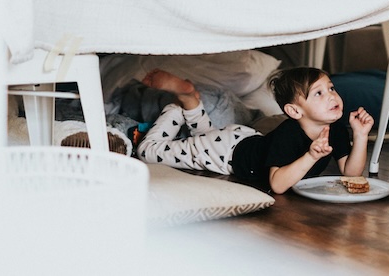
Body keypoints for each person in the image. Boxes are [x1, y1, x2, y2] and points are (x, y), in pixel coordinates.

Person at [137, 67, 374, 194]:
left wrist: (361, 136)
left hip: (245, 139)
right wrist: (311, 156)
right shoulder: (288, 133)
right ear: (294, 111)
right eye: (319, 93)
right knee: (147, 151)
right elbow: (278, 185)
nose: (332, 95)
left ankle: (191, 101)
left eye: (331, 88)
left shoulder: (337, 129)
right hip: (226, 151)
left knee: (201, 138)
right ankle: (178, 106)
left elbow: (351, 175)